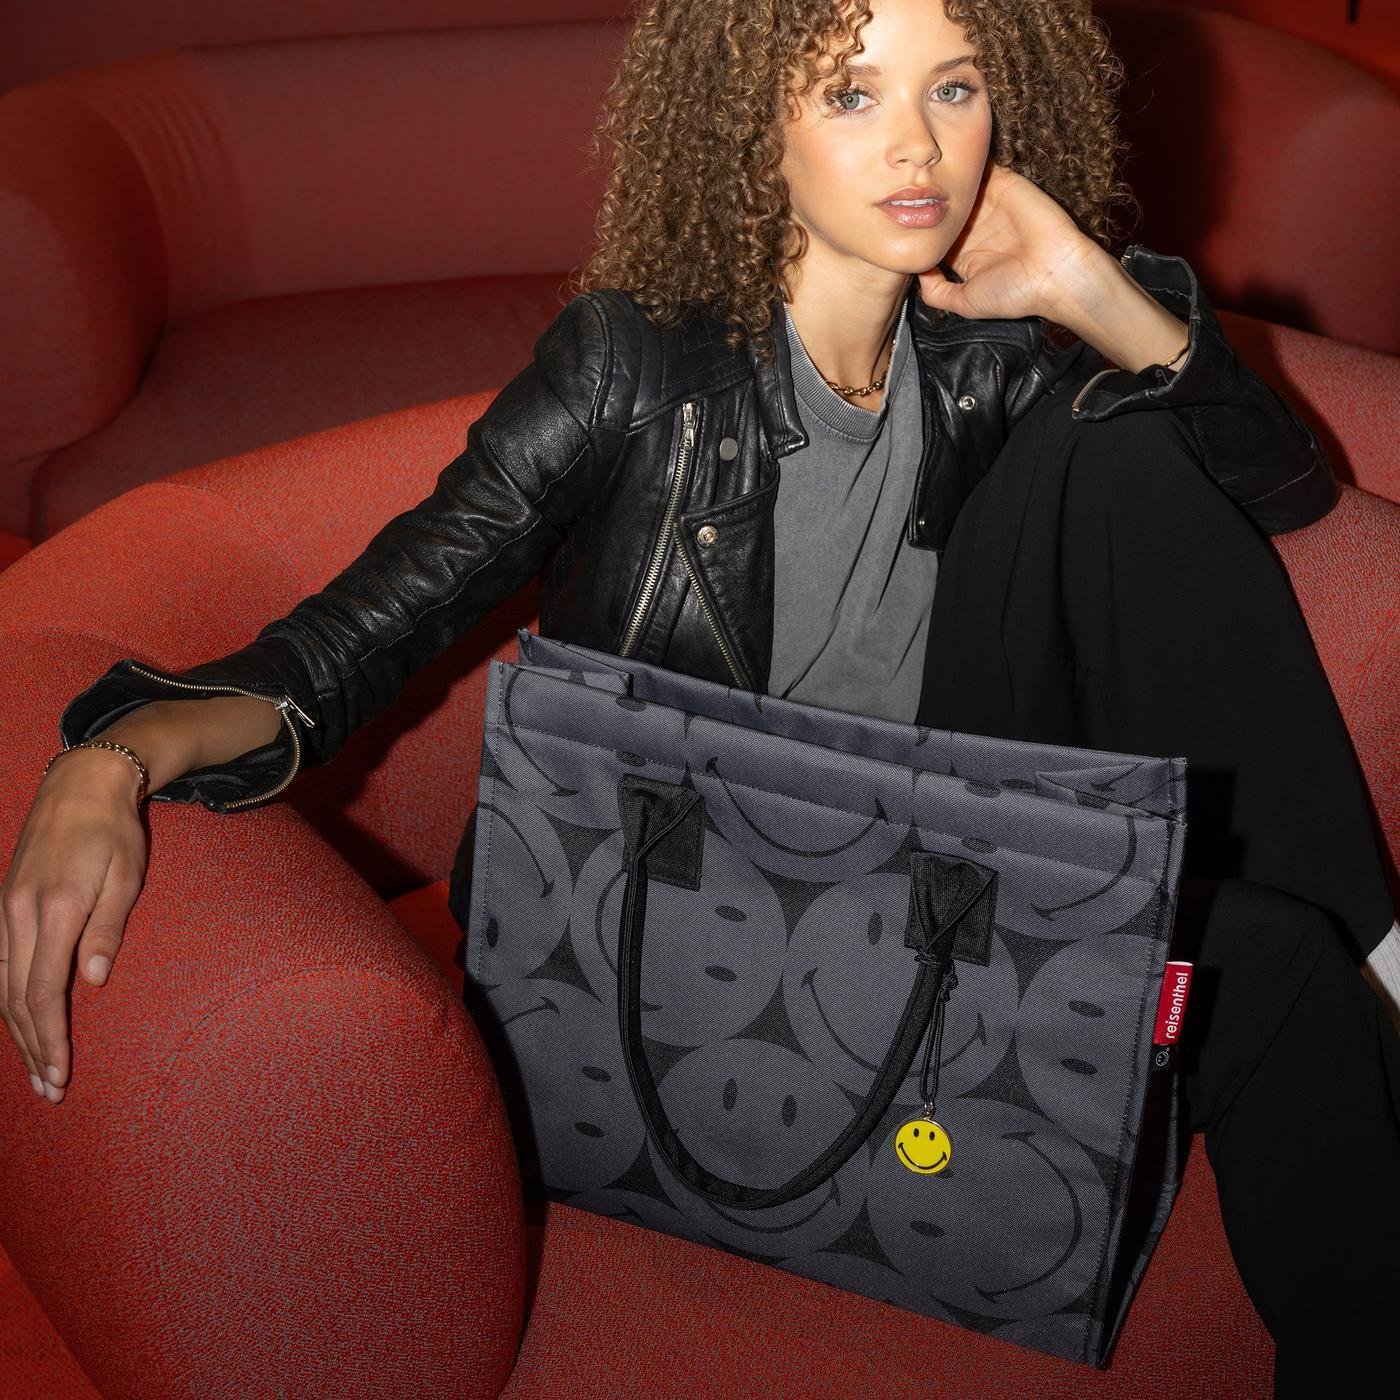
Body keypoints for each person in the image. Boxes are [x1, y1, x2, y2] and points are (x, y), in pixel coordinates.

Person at [3, 0, 1396, 1391]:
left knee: (1131, 464)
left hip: (931, 883)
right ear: (751, 127)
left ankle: (1387, 972)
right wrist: (109, 758)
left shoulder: (989, 352)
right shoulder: (632, 368)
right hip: (693, 927)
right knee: (1273, 971)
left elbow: (1279, 488)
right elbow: (356, 636)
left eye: (956, 87)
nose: (919, 145)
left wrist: (1087, 287)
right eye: (851, 94)